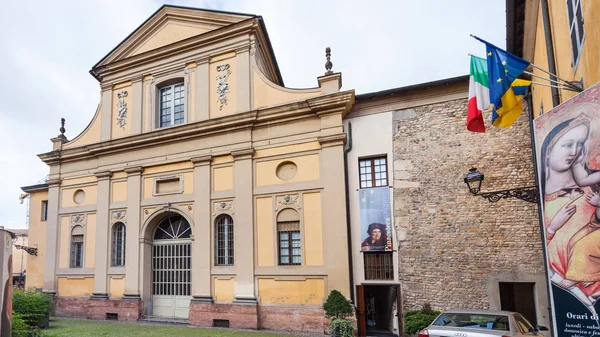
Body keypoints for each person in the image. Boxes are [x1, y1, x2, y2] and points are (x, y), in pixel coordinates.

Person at [541, 114, 600, 311]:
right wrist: (552, 227)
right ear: (549, 150)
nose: (574, 152)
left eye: (580, 144)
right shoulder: (542, 201)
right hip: (571, 299)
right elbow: (543, 249)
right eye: (567, 145)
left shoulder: (593, 188)